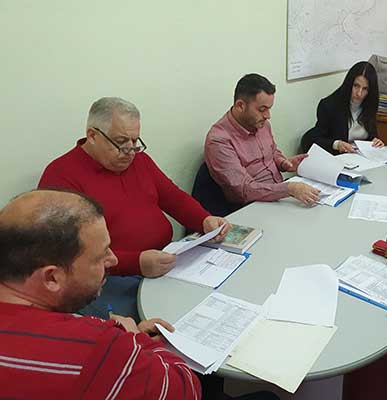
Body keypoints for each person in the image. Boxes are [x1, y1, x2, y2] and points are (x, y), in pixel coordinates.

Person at [0, 189, 279, 400]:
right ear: (52, 277)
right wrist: (135, 341)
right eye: (101, 256)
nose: (112, 260)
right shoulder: (97, 347)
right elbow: (186, 389)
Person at [38, 97, 231, 320]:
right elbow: (70, 253)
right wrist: (137, 263)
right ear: (92, 135)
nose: (130, 151)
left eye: (134, 141)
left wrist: (204, 220)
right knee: (172, 319)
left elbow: (173, 197)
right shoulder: (61, 176)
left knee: (214, 302)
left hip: (164, 260)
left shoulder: (139, 160)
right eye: (121, 142)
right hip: (110, 278)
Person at [204, 73, 321, 207]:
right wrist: (289, 188)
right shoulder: (219, 140)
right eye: (262, 109)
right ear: (240, 106)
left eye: (269, 109)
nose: (267, 116)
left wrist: (284, 163)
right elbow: (244, 190)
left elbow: (273, 152)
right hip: (251, 205)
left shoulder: (262, 124)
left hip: (278, 195)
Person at [300, 61, 384, 154]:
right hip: (338, 157)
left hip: (361, 156)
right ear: (349, 83)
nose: (359, 93)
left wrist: (376, 141)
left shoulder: (370, 104)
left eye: (365, 89)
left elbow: (371, 136)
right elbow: (314, 139)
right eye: (356, 86)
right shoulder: (329, 105)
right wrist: (336, 144)